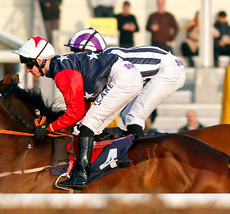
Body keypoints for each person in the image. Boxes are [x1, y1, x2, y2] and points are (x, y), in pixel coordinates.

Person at [14, 36, 186, 190]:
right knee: (105, 122)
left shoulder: (63, 71)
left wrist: (48, 128)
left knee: (96, 123)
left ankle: (82, 176)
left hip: (138, 74)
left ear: (41, 60)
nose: (28, 70)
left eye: (29, 64)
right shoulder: (69, 66)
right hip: (130, 75)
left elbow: (76, 112)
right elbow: (83, 109)